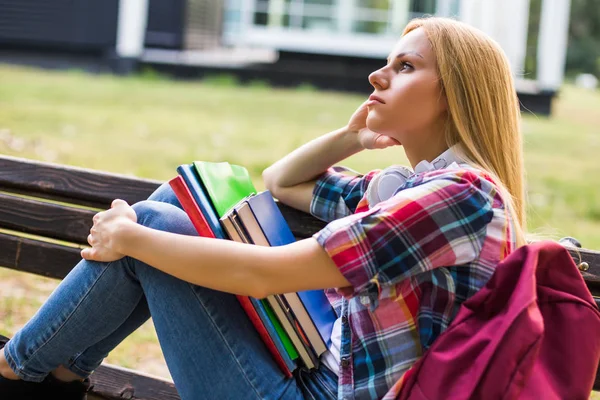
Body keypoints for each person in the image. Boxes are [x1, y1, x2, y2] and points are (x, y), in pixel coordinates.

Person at [0, 16, 525, 400]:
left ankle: (18, 371)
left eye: (405, 66)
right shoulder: (410, 187)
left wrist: (128, 238)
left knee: (153, 223)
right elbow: (282, 181)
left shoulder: (459, 198)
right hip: (315, 375)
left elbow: (264, 277)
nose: (376, 77)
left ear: (456, 95)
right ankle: (54, 375)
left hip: (320, 393)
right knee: (167, 206)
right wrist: (351, 137)